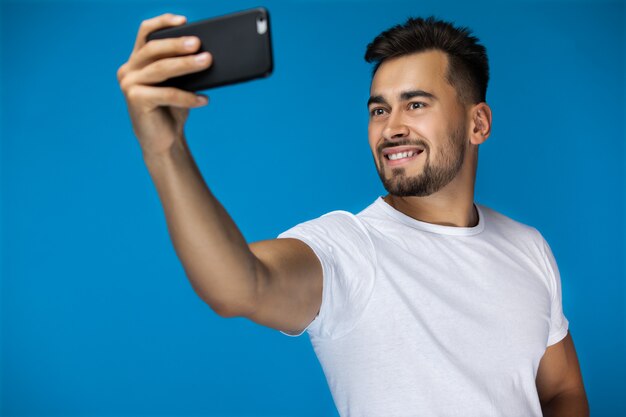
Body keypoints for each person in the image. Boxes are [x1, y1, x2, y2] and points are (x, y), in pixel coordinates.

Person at [117, 12, 589, 417]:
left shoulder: (528, 246)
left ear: (478, 123)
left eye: (416, 104)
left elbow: (561, 389)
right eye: (379, 110)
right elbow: (239, 286)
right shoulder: (348, 248)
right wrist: (166, 149)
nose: (391, 128)